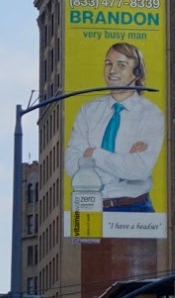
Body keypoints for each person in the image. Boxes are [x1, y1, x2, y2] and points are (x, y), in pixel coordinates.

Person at [64, 42, 164, 211]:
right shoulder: (88, 111)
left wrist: (92, 153)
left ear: (137, 72)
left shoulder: (151, 114)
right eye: (108, 63)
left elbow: (139, 170)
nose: (112, 71)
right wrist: (123, 161)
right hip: (88, 206)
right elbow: (71, 164)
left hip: (133, 208)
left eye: (121, 65)